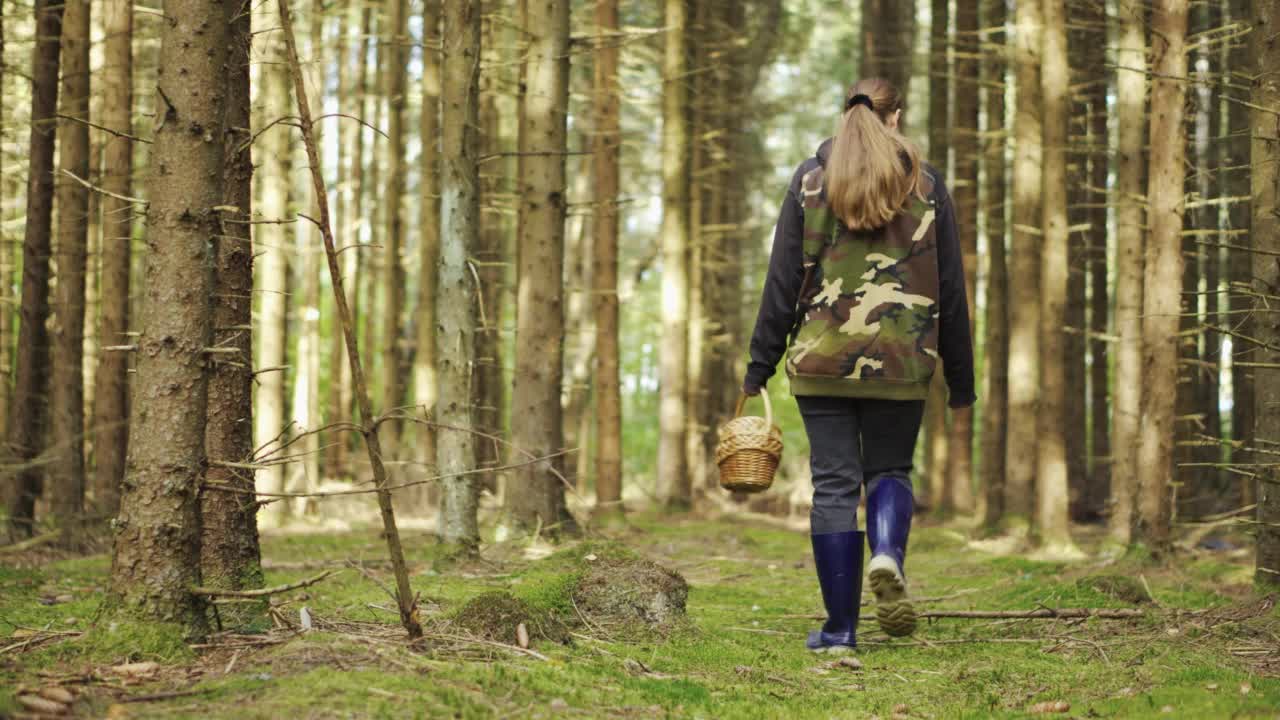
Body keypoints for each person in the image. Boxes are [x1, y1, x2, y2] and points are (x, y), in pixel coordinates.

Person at [742, 78, 975, 654]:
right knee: (891, 469)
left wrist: (759, 365)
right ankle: (888, 555)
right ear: (895, 119)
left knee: (834, 487)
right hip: (903, 359)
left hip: (821, 360)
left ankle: (840, 631)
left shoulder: (809, 182)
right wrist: (961, 376)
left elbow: (781, 281)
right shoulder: (927, 185)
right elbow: (949, 287)